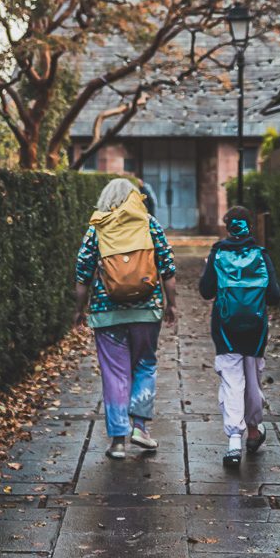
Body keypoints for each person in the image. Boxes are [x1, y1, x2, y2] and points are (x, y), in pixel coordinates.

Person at [74, 178, 178, 460]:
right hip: (146, 310)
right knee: (144, 365)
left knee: (114, 373)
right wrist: (172, 304)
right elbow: (167, 267)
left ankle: (118, 440)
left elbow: (83, 273)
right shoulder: (149, 224)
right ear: (135, 198)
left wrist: (79, 309)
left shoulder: (97, 228)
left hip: (107, 314)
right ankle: (141, 429)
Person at [198, 205, 280, 468]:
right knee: (253, 380)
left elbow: (206, 291)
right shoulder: (261, 255)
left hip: (225, 327)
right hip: (256, 329)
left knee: (232, 381)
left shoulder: (218, 253)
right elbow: (275, 296)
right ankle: (254, 431)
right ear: (250, 226)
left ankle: (234, 441)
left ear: (227, 227)